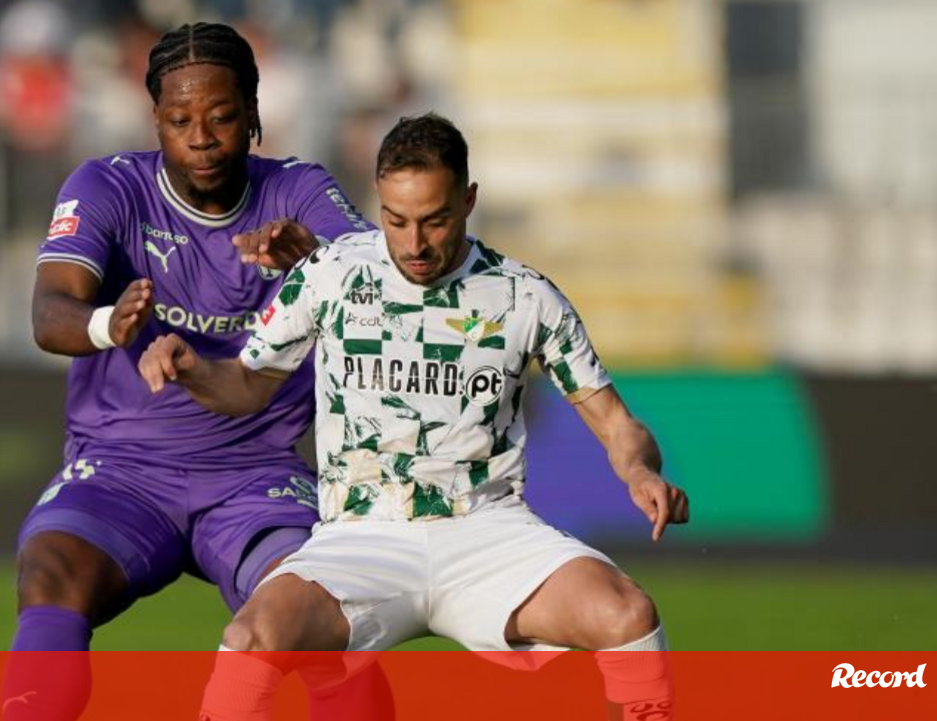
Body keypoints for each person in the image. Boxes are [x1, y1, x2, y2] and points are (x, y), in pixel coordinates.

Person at [138, 113, 690, 721]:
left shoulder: (525, 296)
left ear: (468, 200)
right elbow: (246, 386)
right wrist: (193, 369)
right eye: (396, 220)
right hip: (361, 535)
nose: (415, 244)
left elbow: (616, 424)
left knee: (627, 617)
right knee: (250, 642)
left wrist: (640, 471)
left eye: (435, 220)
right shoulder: (331, 273)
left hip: (487, 530)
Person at [3, 21, 392, 721]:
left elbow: (384, 291)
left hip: (257, 472)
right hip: (122, 466)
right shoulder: (108, 186)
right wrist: (109, 323)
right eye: (181, 120)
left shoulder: (297, 190)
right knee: (50, 572)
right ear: (156, 119)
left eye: (221, 117)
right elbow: (49, 311)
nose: (202, 138)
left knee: (327, 615)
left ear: (253, 114)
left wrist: (318, 259)